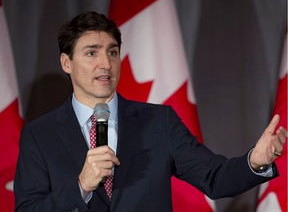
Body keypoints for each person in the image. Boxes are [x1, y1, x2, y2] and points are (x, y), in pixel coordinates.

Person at [14, 11, 286, 212]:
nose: (105, 64)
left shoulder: (159, 122)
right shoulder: (40, 135)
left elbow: (214, 178)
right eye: (91, 53)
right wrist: (81, 186)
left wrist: (256, 161)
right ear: (66, 62)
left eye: (112, 52)